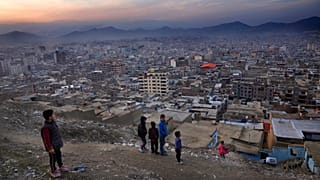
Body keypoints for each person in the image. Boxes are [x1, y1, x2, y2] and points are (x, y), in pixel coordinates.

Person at [41, 109, 69, 178]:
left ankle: (60, 166)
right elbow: (46, 139)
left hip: (57, 144)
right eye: (53, 114)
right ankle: (53, 170)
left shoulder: (53, 123)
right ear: (50, 117)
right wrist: (49, 148)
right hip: (52, 147)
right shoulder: (46, 128)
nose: (54, 115)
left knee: (59, 155)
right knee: (53, 158)